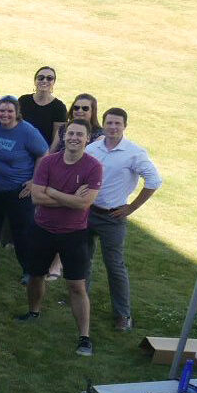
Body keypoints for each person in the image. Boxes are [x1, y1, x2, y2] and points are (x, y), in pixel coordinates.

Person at [19, 120, 105, 355]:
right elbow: (36, 198)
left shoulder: (93, 167)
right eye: (70, 133)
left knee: (77, 286)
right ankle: (34, 311)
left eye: (80, 134)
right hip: (42, 229)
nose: (74, 137)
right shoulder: (48, 162)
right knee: (35, 275)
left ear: (87, 139)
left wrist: (52, 192)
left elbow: (84, 203)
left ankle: (84, 337)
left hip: (74, 234)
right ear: (64, 136)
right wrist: (69, 198)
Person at [86, 107, 162, 331]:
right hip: (87, 212)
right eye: (109, 123)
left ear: (125, 126)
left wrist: (131, 207)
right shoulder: (93, 148)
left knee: (115, 266)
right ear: (103, 123)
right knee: (83, 260)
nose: (113, 127)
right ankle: (80, 299)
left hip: (113, 217)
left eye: (117, 123)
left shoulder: (134, 153)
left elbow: (154, 181)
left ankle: (123, 315)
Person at [0, 97, 49, 272]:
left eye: (10, 111)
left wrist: (35, 181)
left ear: (17, 113)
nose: (5, 114)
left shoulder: (28, 131)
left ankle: (29, 270)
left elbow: (44, 154)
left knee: (22, 231)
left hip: (19, 190)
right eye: (2, 110)